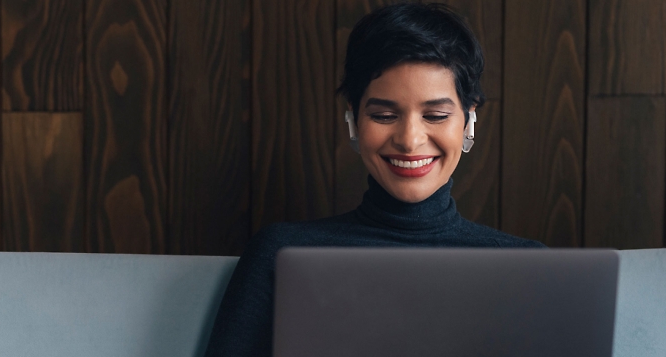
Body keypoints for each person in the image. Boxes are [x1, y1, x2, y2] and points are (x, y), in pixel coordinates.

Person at [204, 3, 545, 356]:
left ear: (468, 122)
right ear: (353, 121)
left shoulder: (530, 267)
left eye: (436, 115)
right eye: (384, 115)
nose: (410, 139)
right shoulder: (282, 253)